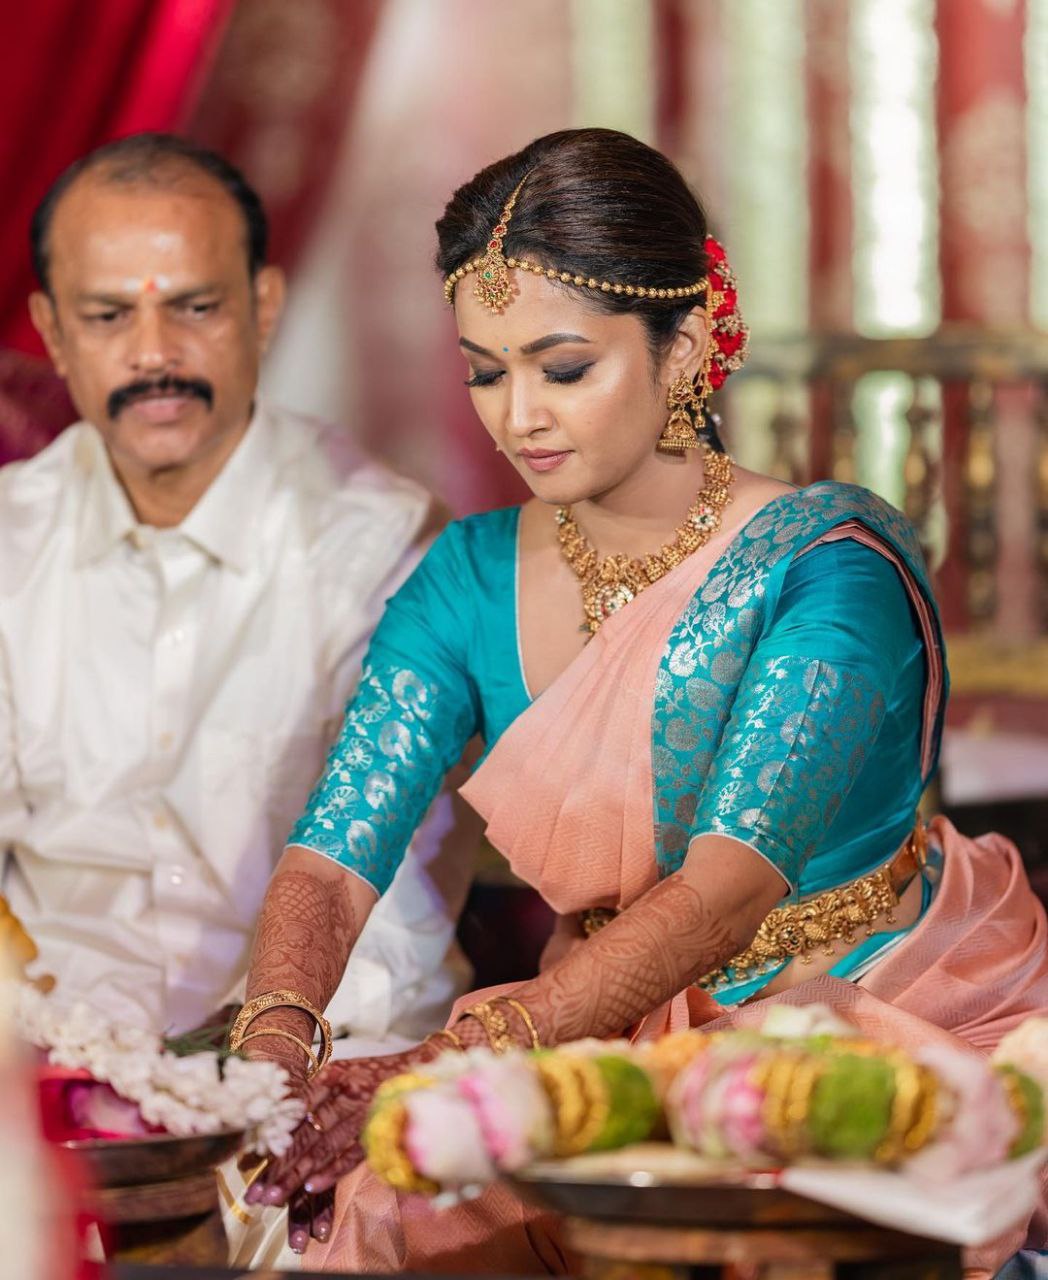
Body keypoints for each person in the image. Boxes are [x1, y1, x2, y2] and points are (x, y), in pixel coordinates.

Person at [238, 128, 1048, 1275]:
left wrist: (450, 1064)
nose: (518, 414)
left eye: (562, 367)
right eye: (484, 370)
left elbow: (722, 894)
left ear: (687, 347)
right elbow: (332, 855)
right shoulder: (465, 577)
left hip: (871, 1014)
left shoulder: (827, 567)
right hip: (602, 1022)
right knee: (382, 1203)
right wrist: (275, 1046)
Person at [0, 133, 474, 1053]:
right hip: (46, 1075)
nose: (153, 354)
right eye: (106, 317)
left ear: (262, 308)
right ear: (53, 333)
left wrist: (254, 1082)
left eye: (195, 307)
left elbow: (389, 910)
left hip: (317, 1074)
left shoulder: (377, 545)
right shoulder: (9, 541)